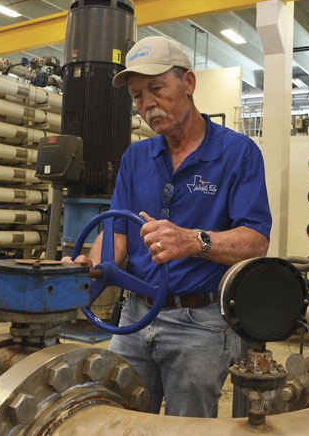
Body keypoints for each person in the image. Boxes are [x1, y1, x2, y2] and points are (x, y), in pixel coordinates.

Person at [64, 36, 271, 417]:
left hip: (200, 324)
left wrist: (193, 241)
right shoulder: (136, 157)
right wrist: (91, 267)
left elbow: (256, 243)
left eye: (156, 89)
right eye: (137, 96)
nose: (148, 105)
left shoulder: (238, 154)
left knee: (187, 426)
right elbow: (116, 234)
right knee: (119, 416)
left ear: (188, 83)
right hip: (134, 316)